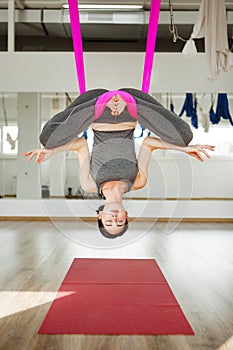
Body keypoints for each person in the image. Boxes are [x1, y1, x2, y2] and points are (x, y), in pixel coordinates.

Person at [23, 89, 215, 238]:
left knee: (47, 138)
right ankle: (130, 102)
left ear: (100, 216)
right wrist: (184, 150)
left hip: (97, 114)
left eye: (109, 222)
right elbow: (149, 144)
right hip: (129, 111)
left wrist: (51, 152)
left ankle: (100, 104)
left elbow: (80, 145)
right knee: (185, 137)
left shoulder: (89, 184)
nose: (114, 219)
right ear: (126, 216)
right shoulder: (138, 182)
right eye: (119, 222)